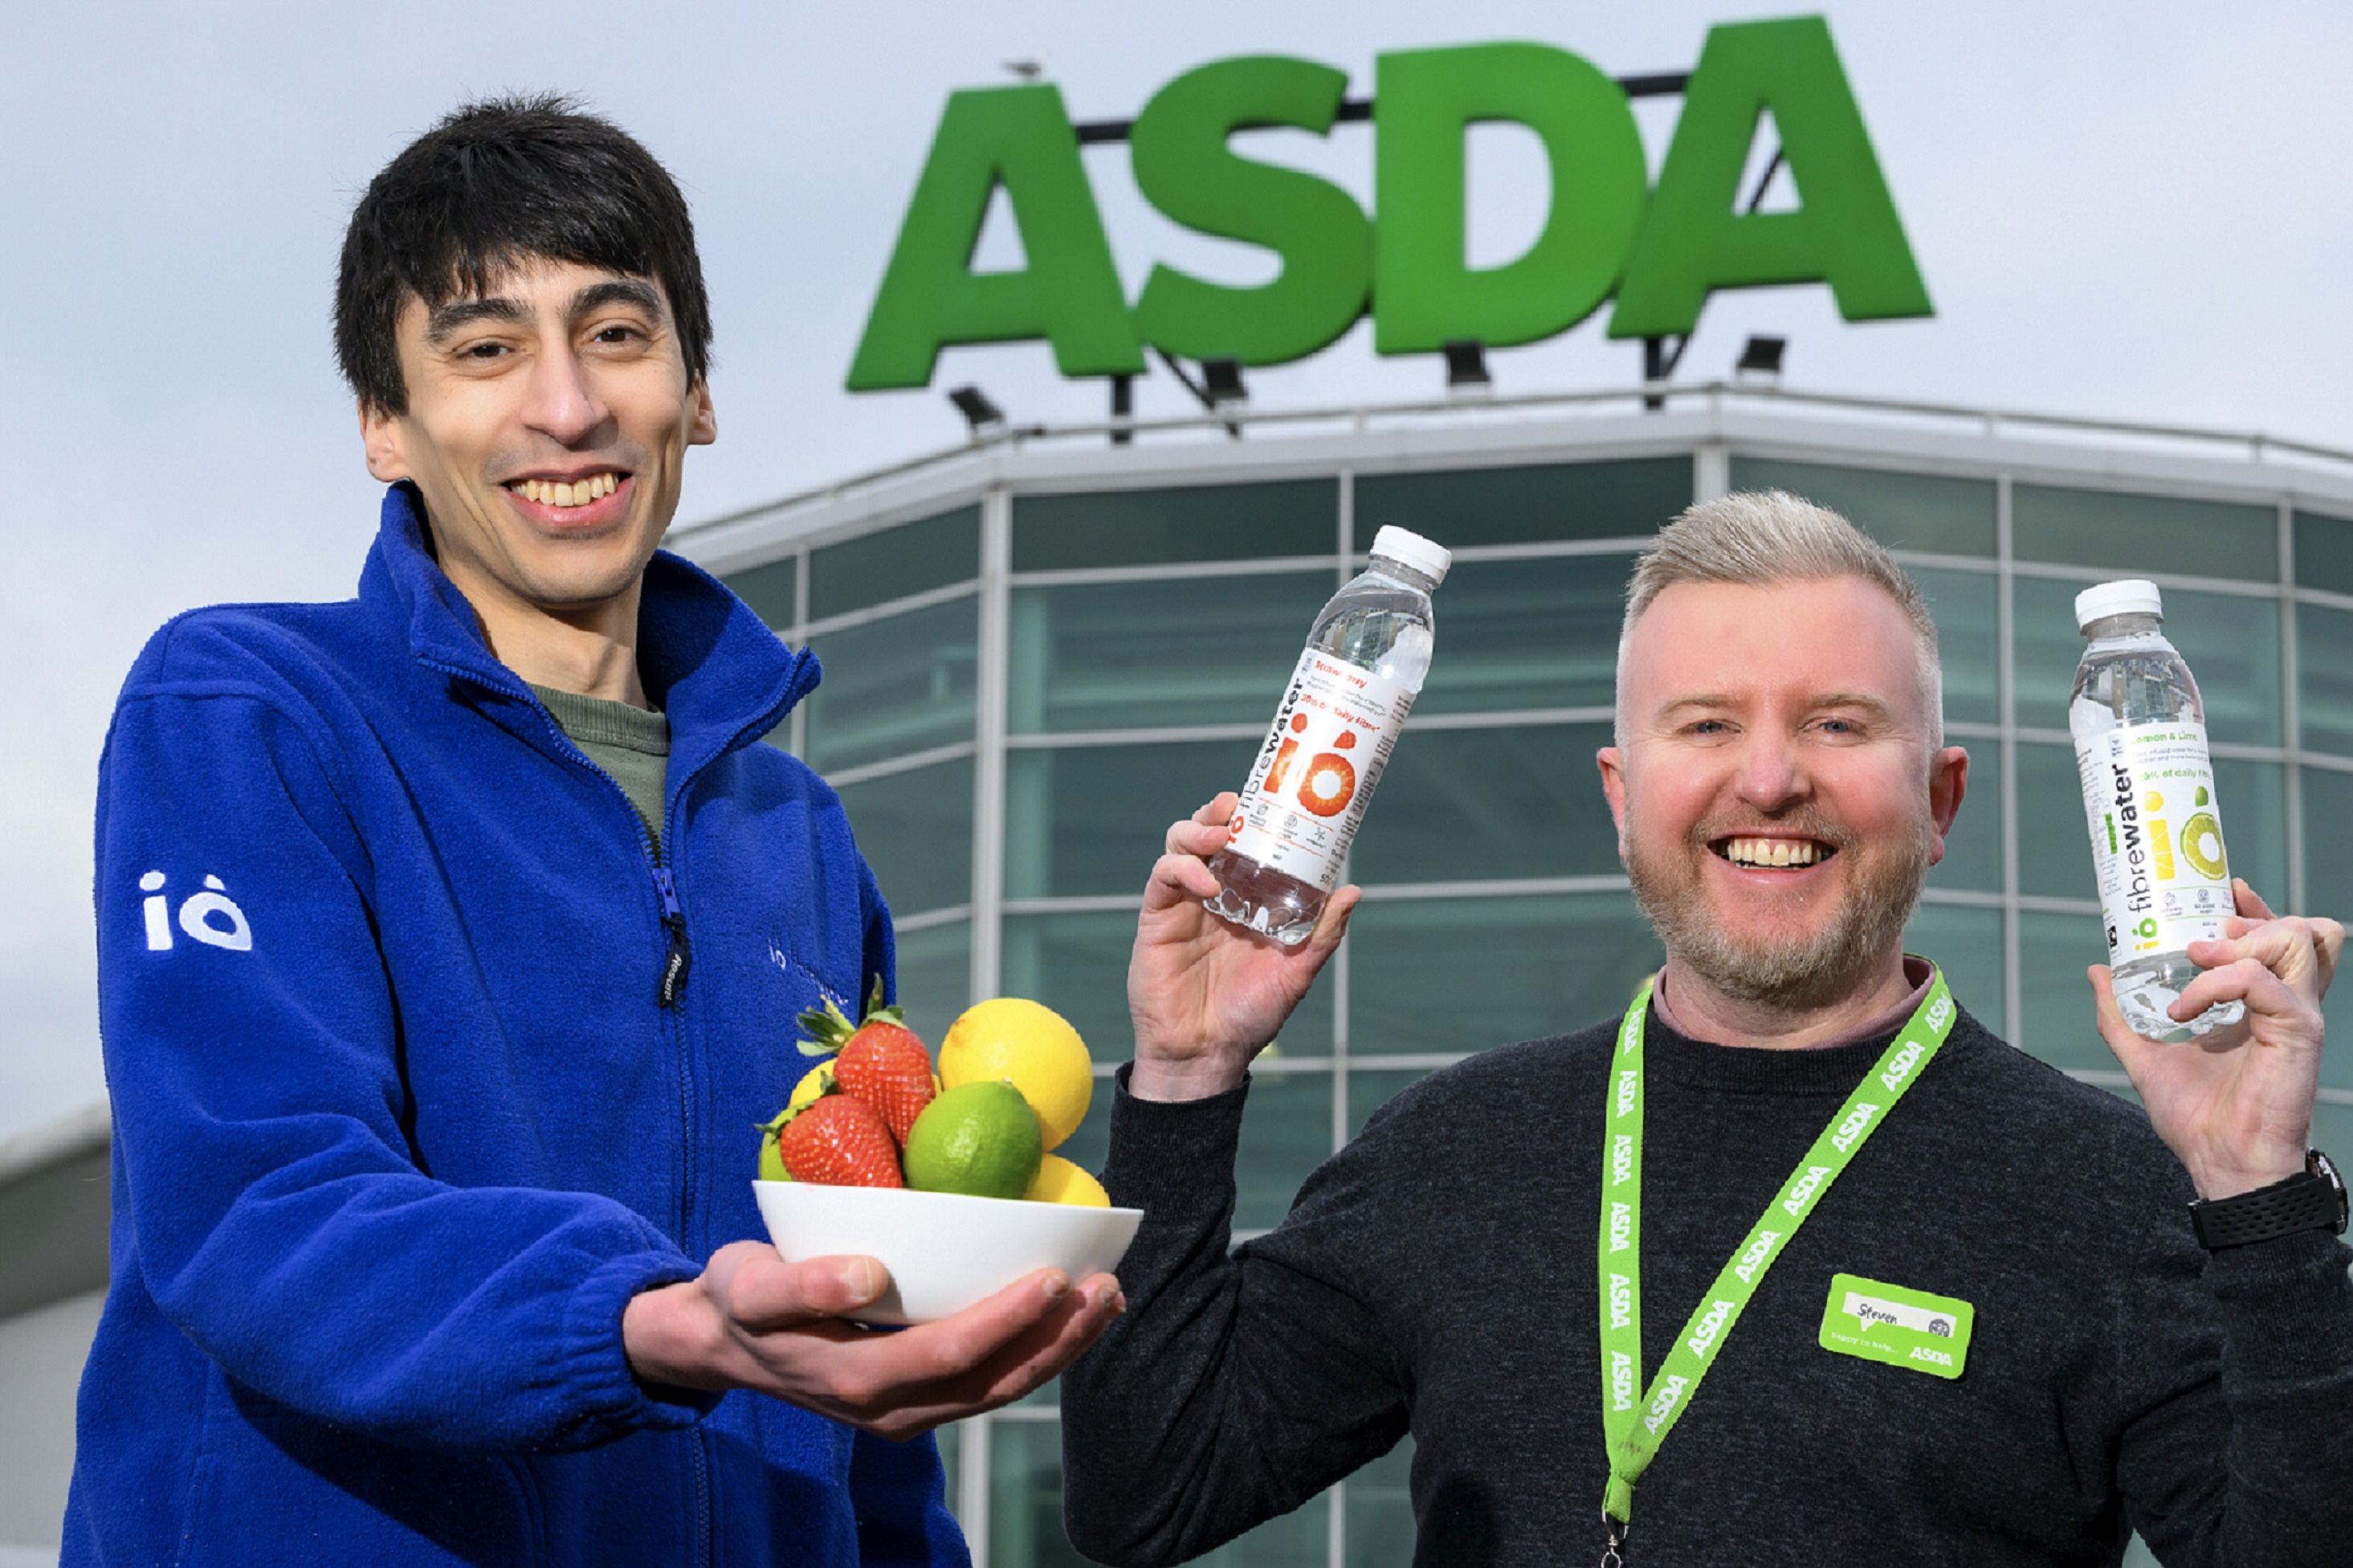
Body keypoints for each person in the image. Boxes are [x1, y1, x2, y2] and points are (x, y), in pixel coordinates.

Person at [70, 96, 1120, 1567]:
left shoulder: (794, 833)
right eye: (486, 349)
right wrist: (646, 1322)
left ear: (695, 390)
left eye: (617, 335)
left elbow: (860, 1352)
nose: (566, 409)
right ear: (386, 424)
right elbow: (258, 1209)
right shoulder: (249, 709)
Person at [1060, 491, 2353, 1565]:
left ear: (1939, 797)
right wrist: (1183, 1074)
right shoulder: (1454, 1150)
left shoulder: (2102, 1188)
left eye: (1836, 722)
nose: (1770, 776)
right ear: (1623, 798)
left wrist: (2258, 1198)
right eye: (1706, 724)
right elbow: (1146, 1498)